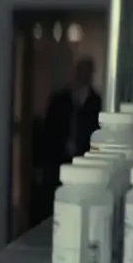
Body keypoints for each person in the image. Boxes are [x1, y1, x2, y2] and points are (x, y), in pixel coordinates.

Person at [41, 57, 102, 195]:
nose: (83, 75)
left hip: (84, 163)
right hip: (58, 161)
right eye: (81, 71)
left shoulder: (96, 103)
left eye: (87, 72)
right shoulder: (59, 100)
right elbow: (49, 133)